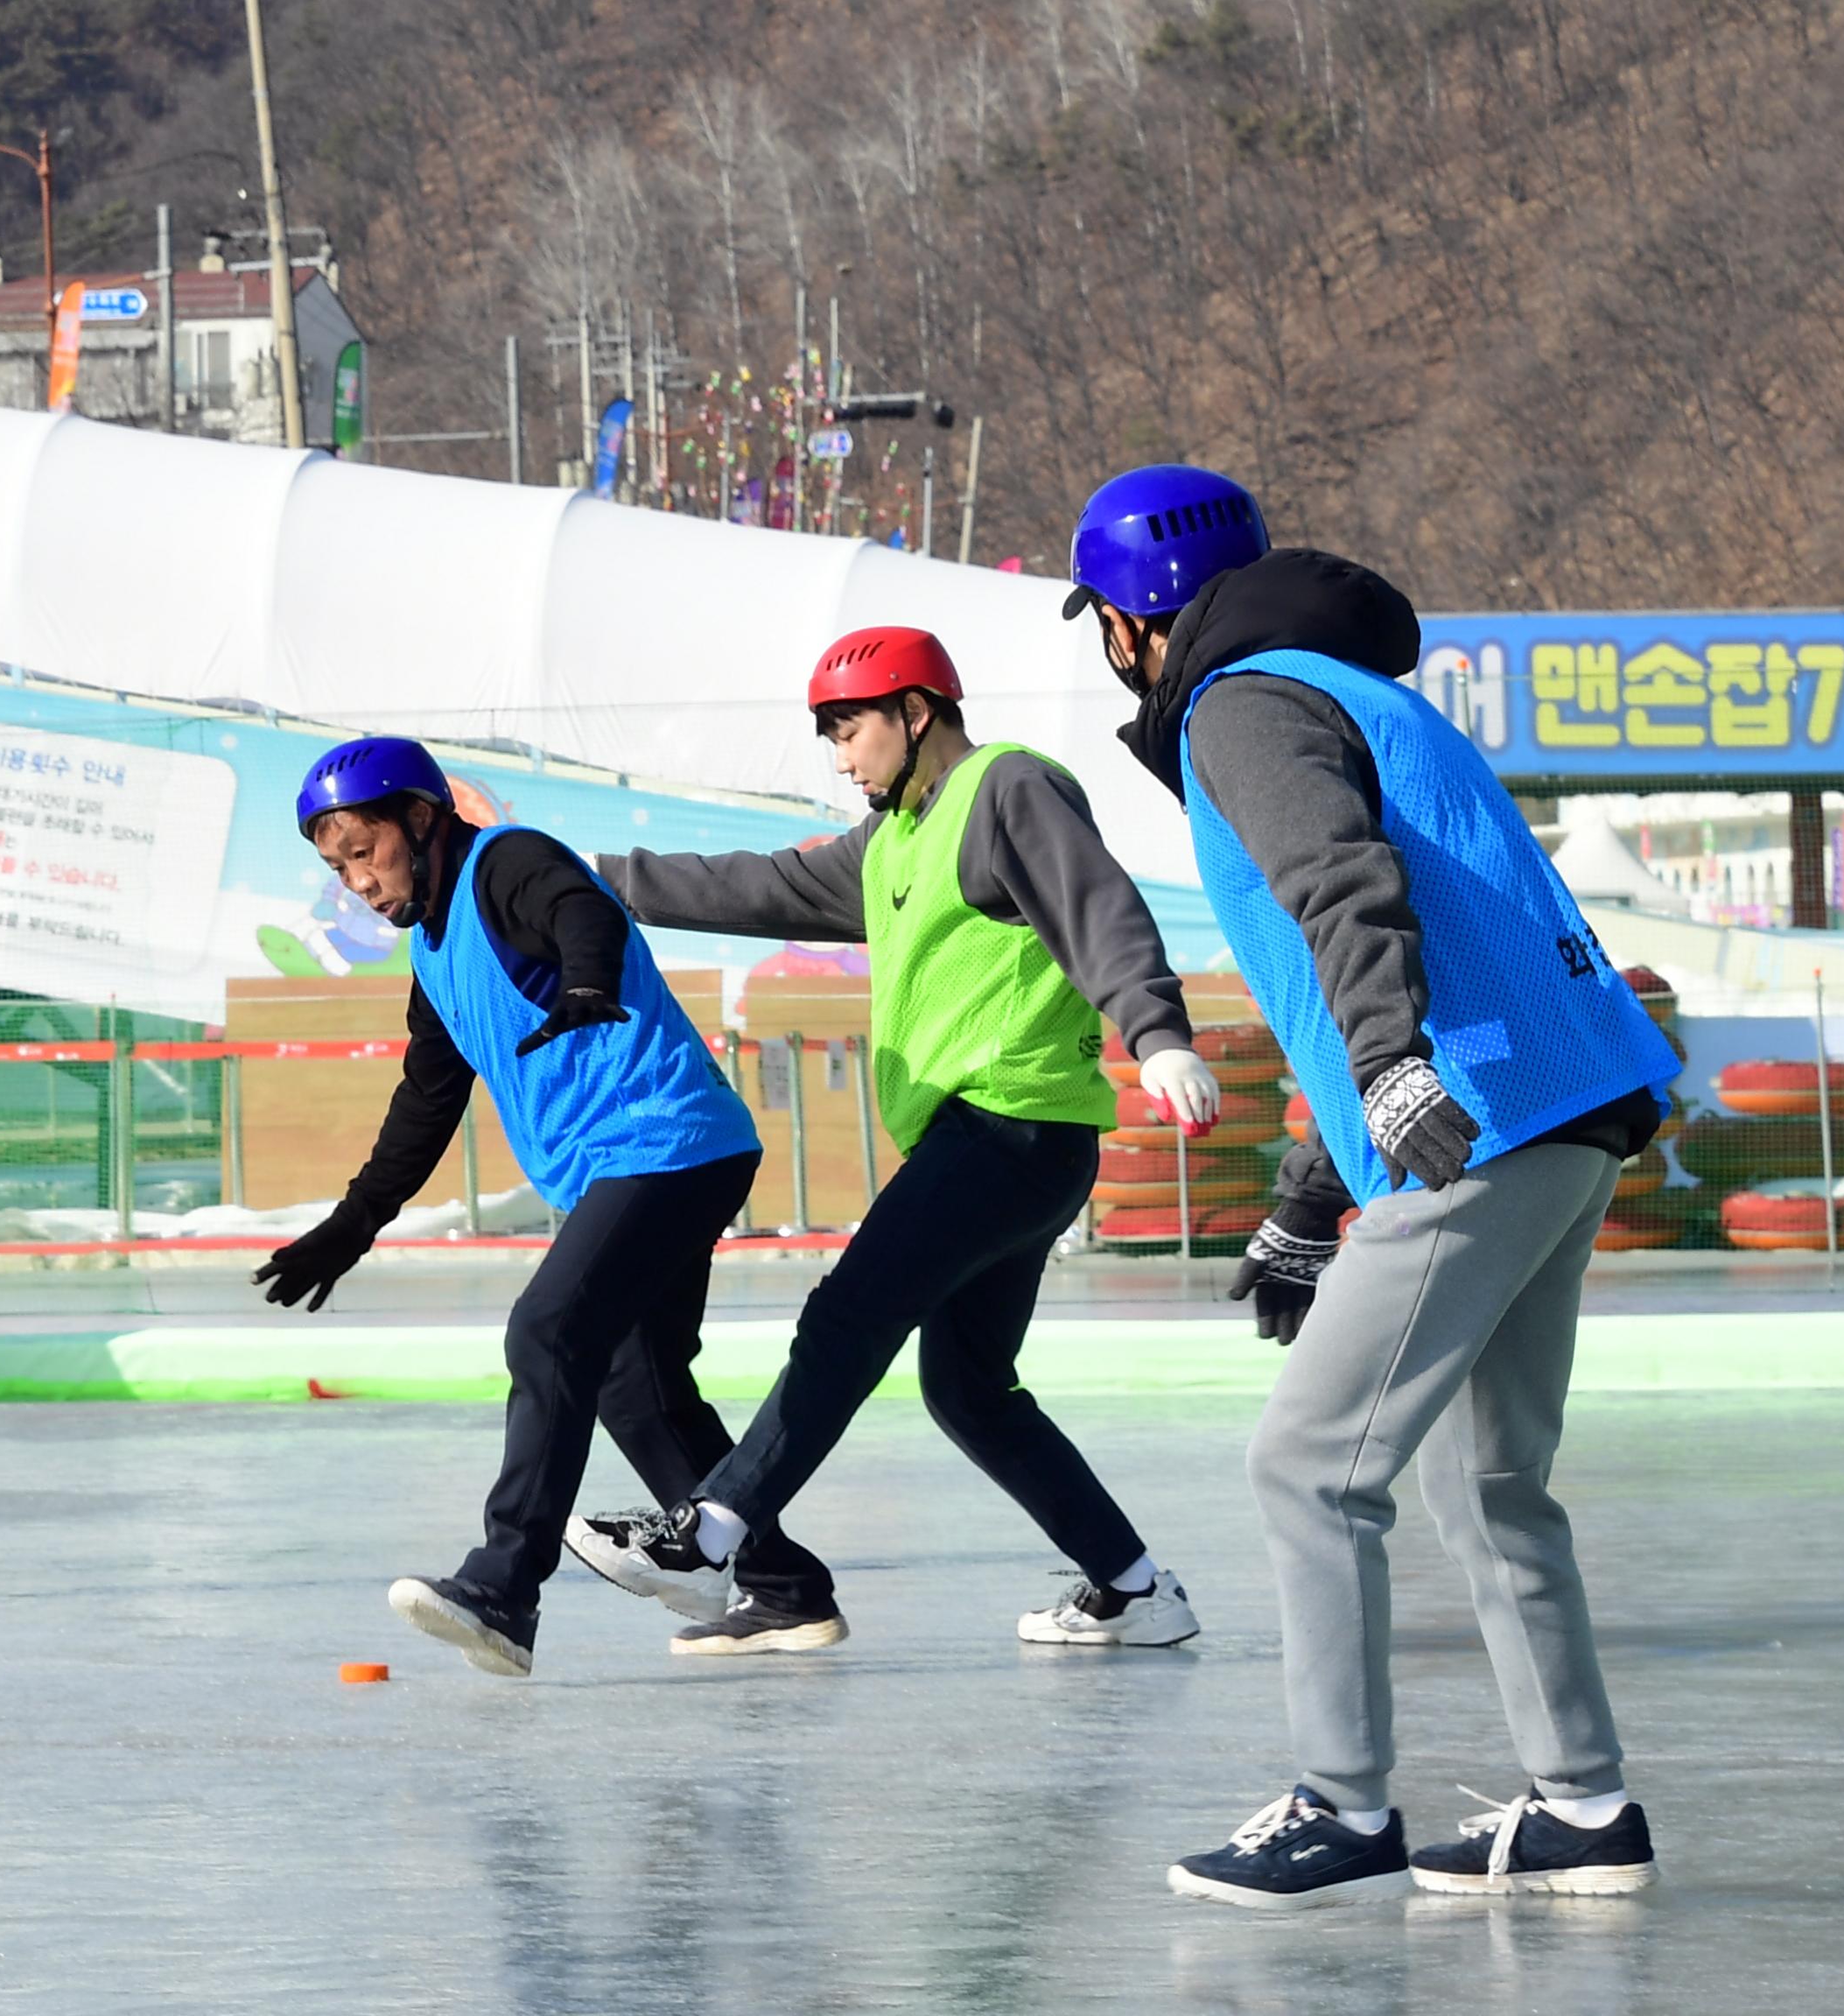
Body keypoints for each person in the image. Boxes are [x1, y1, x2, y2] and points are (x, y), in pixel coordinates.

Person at [1066, 464, 1677, 1907]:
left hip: (1472, 1111)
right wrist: (1305, 1184)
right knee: (1491, 1480)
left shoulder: (1239, 702)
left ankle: (1338, 1801)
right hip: (1564, 1100)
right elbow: (1398, 936)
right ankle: (1582, 1805)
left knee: (1305, 1461)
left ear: (1129, 617)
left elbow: (1339, 885)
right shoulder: (1350, 690)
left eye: (1093, 613)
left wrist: (1395, 1074)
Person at [561, 627, 1220, 1649]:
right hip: (1003, 1146)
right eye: (828, 735)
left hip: (1008, 1122)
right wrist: (594, 878)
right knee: (968, 1388)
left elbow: (1101, 906)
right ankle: (1135, 1586)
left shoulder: (1008, 789)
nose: (840, 756)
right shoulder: (893, 841)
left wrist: (1157, 1029)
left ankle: (710, 1532)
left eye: (851, 728)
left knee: (846, 1316)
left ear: (917, 713)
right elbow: (761, 883)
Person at [259, 737, 831, 1675]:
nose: (356, 880)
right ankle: (784, 1587)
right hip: (637, 1164)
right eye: (337, 866)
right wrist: (354, 1220)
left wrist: (586, 982)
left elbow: (578, 911)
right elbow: (425, 1100)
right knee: (634, 1388)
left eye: (364, 850)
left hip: (668, 1141)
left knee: (548, 1329)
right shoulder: (435, 952)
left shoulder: (506, 862)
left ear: (419, 817)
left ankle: (503, 1584)